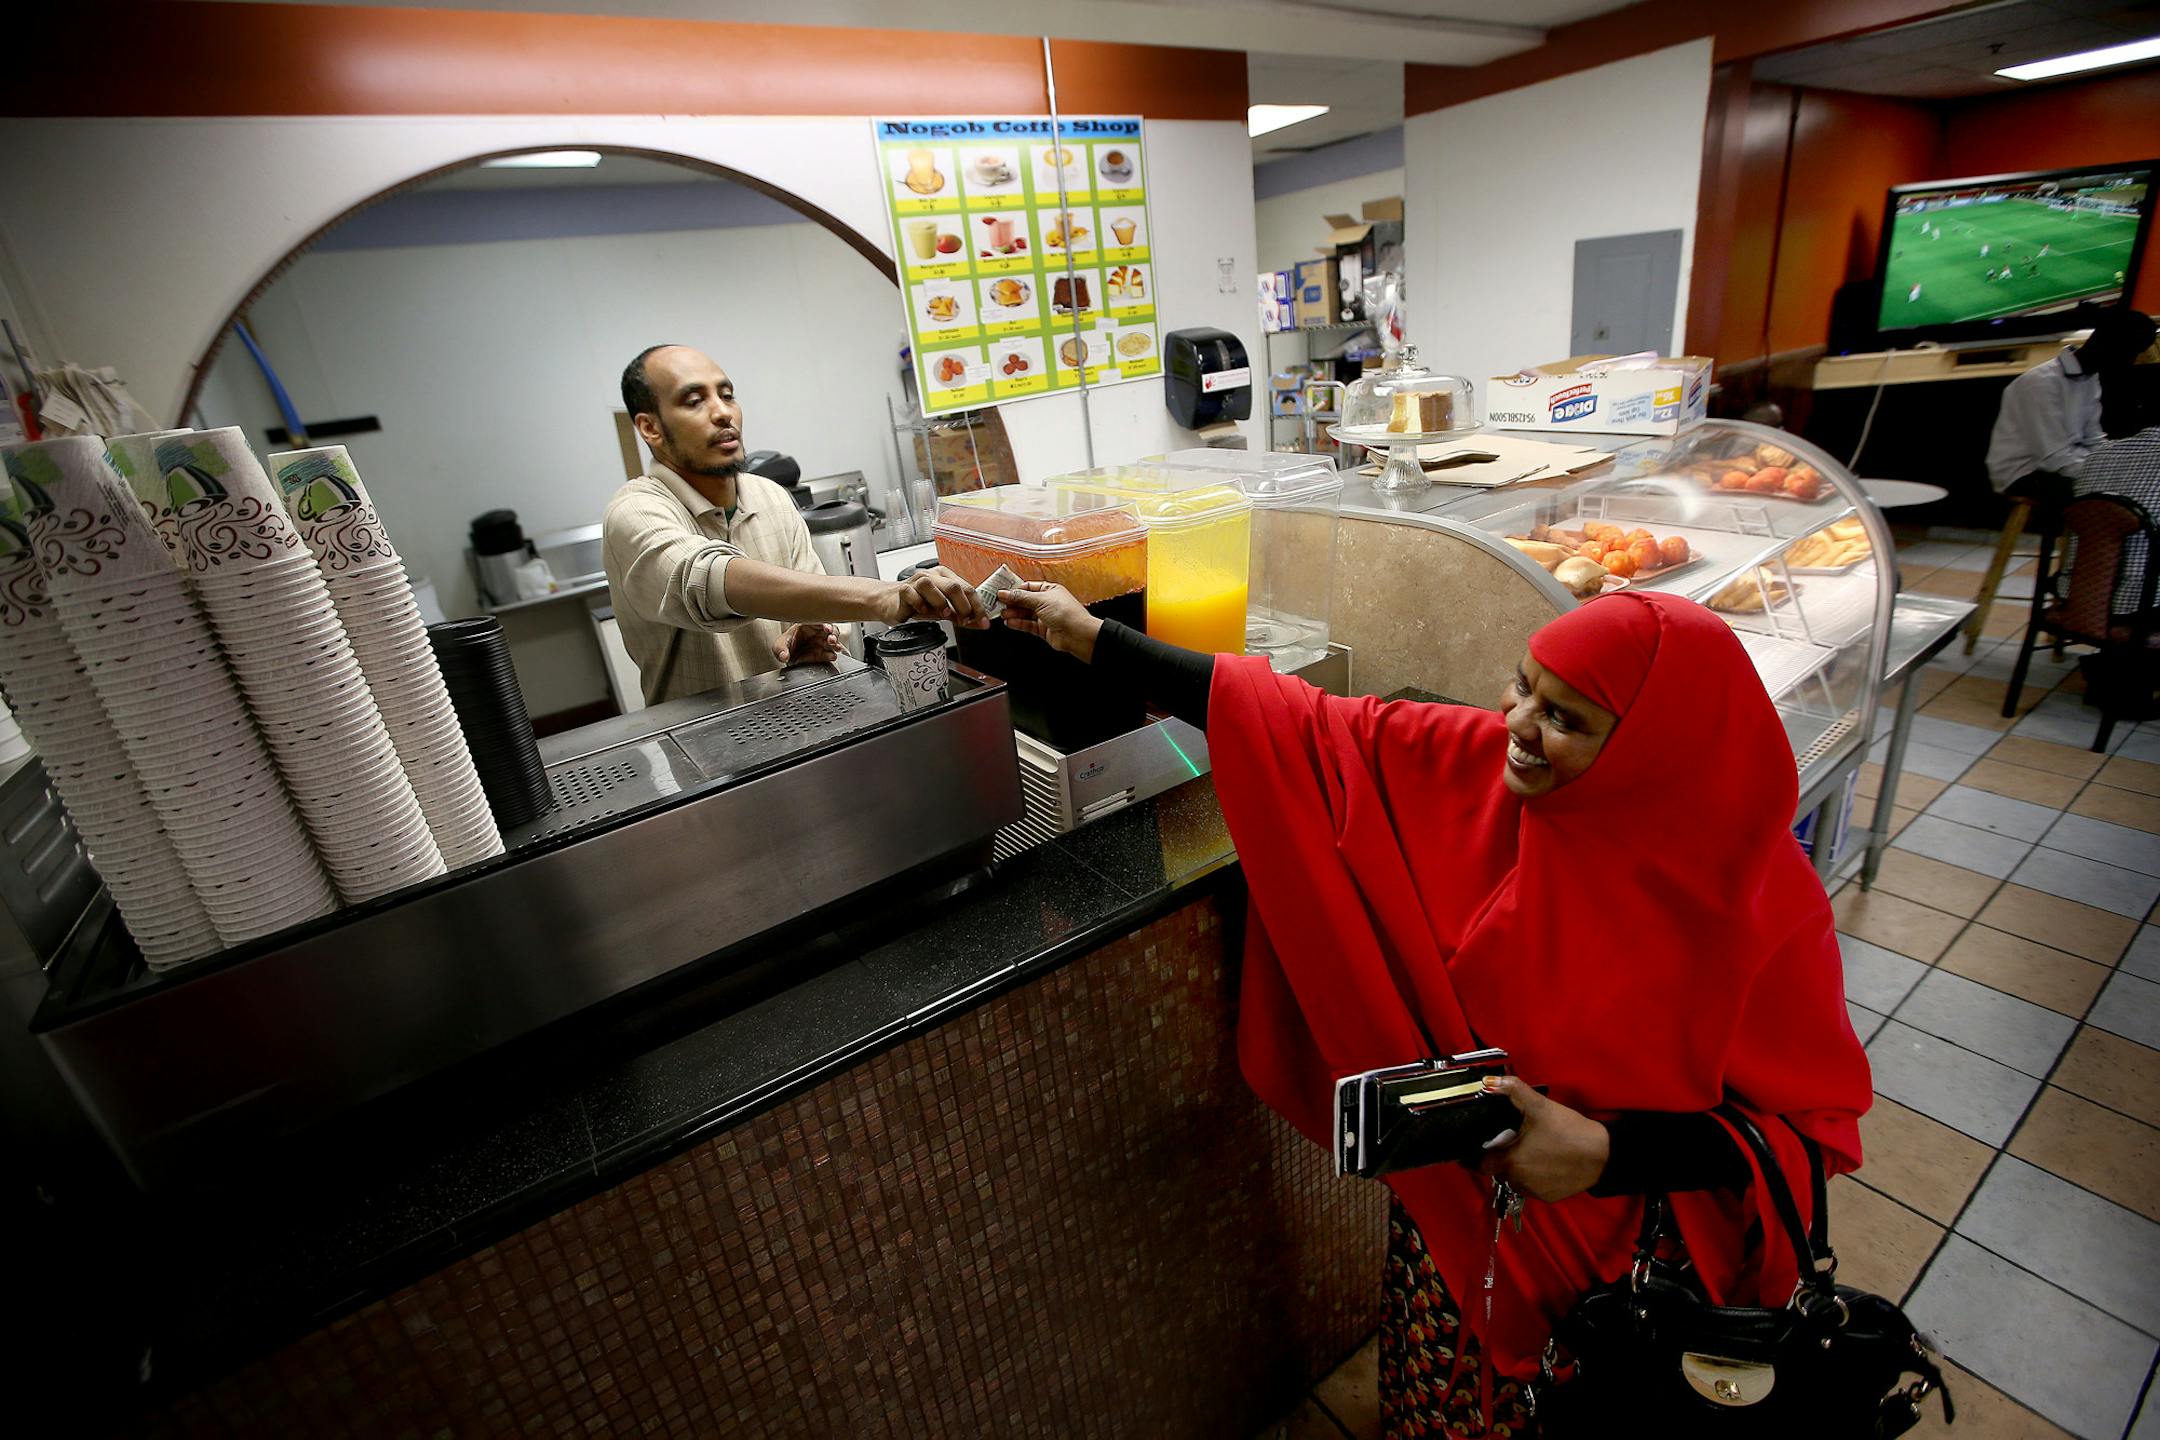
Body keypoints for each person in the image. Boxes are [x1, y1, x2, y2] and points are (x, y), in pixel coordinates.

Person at [997, 585, 1871, 1434]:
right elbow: (1302, 721)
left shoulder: (1759, 906)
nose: (1520, 726)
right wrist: (1089, 638)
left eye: (1566, 718)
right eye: (1523, 685)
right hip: (1463, 1221)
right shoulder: (1488, 767)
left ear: (1654, 748)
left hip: (1627, 1270)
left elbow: (1810, 1128)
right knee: (1439, 1396)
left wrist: (1605, 1153)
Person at [602, 344, 983, 704]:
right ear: (650, 428)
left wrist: (817, 634)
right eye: (695, 401)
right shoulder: (635, 511)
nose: (723, 413)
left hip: (797, 723)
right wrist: (882, 596)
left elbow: (819, 608)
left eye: (727, 395)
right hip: (702, 745)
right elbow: (705, 580)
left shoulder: (770, 497)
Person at [1987, 309, 2158, 500]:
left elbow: (2094, 440)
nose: (2131, 362)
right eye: (2130, 353)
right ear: (2109, 345)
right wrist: (2106, 472)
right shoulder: (2040, 383)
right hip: (2023, 473)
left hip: (2063, 465)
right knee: (2120, 495)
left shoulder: (2090, 380)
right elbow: (2052, 458)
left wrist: (2122, 463)